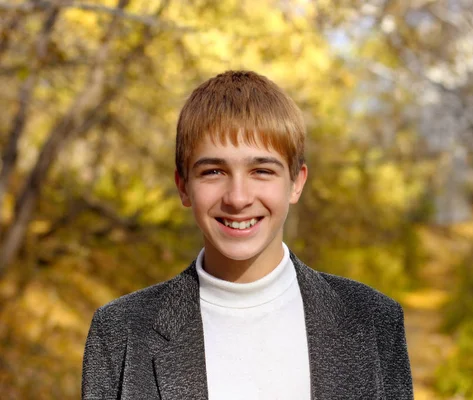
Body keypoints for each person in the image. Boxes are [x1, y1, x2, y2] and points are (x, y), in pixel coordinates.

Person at [82, 70, 413, 399]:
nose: (238, 198)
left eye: (262, 171)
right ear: (183, 187)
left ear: (296, 183)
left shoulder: (373, 321)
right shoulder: (119, 333)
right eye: (213, 172)